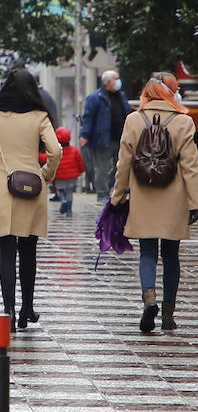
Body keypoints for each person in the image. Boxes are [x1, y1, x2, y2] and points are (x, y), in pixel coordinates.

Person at [0, 68, 62, 331]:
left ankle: (7, 310)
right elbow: (55, 150)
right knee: (29, 251)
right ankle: (27, 308)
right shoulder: (40, 116)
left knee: (5, 251)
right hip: (32, 188)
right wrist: (45, 175)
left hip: (1, 188)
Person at [110, 76, 198, 332]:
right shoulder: (184, 122)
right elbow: (191, 167)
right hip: (175, 197)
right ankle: (168, 314)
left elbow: (123, 162)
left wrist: (118, 196)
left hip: (143, 195)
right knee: (171, 255)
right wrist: (194, 202)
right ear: (172, 94)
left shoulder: (134, 120)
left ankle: (149, 299)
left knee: (147, 252)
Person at [81, 70, 130, 198]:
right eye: (116, 79)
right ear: (108, 82)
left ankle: (117, 191)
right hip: (103, 139)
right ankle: (102, 193)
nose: (119, 81)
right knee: (102, 168)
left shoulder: (121, 96)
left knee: (120, 167)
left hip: (121, 139)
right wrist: (85, 135)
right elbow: (88, 118)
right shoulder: (95, 98)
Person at [53, 127, 85, 217]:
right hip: (72, 176)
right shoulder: (74, 150)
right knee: (70, 192)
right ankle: (69, 211)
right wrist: (81, 171)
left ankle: (63, 200)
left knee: (60, 191)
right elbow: (80, 162)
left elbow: (51, 160)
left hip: (60, 176)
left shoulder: (57, 151)